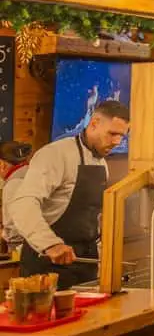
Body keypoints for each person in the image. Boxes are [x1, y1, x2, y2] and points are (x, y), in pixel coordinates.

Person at [7, 101, 129, 288]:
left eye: (122, 136)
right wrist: (49, 244)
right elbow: (23, 203)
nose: (117, 142)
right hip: (48, 264)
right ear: (94, 123)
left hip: (85, 263)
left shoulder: (101, 164)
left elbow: (93, 216)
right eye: (112, 134)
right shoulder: (56, 154)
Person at [0, 140, 33, 248]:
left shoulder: (14, 183)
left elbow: (13, 225)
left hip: (21, 246)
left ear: (2, 164)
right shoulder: (32, 173)